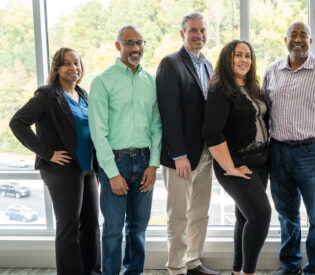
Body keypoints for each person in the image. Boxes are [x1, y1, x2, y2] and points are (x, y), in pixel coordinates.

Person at [262, 21, 315, 275]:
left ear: (310, 41)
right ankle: (290, 264)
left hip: (313, 153)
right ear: (285, 39)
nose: (298, 39)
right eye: (293, 35)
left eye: (303, 35)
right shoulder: (272, 71)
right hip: (278, 152)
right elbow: (264, 114)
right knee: (286, 215)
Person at [9, 47, 101, 275]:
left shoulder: (83, 94)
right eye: (67, 63)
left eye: (76, 63)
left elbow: (91, 134)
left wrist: (97, 169)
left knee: (91, 226)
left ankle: (92, 271)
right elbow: (17, 123)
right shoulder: (47, 95)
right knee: (69, 227)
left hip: (87, 168)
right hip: (61, 170)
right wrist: (47, 153)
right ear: (57, 68)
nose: (73, 68)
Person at [88, 25, 162, 275]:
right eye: (129, 43)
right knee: (112, 228)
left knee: (138, 227)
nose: (136, 48)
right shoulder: (102, 81)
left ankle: (134, 272)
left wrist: (153, 164)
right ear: (117, 45)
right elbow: (98, 132)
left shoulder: (150, 80)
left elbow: (156, 124)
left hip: (144, 160)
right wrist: (111, 172)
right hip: (115, 162)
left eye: (140, 42)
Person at [156, 12, 218, 275]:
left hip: (205, 153)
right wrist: (178, 153)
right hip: (180, 156)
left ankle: (193, 261)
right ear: (182, 34)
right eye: (193, 30)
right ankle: (175, 266)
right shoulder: (170, 64)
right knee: (179, 215)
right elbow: (169, 113)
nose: (199, 35)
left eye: (202, 30)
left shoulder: (207, 65)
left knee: (200, 212)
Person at [202, 40, 271, 275]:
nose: (244, 60)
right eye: (238, 55)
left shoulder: (252, 86)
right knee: (261, 216)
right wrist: (230, 168)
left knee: (245, 217)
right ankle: (248, 272)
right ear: (227, 58)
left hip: (261, 162)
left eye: (248, 56)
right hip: (236, 164)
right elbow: (212, 132)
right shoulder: (220, 88)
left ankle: (236, 270)